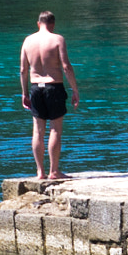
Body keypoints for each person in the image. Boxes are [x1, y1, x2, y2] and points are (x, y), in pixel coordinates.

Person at [19, 10, 80, 182]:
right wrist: (75, 90)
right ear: (52, 25)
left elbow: (23, 70)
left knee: (37, 131)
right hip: (54, 87)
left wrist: (24, 93)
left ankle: (40, 172)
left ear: (38, 23)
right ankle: (54, 171)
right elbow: (66, 67)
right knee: (55, 129)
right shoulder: (57, 39)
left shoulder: (28, 41)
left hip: (35, 88)